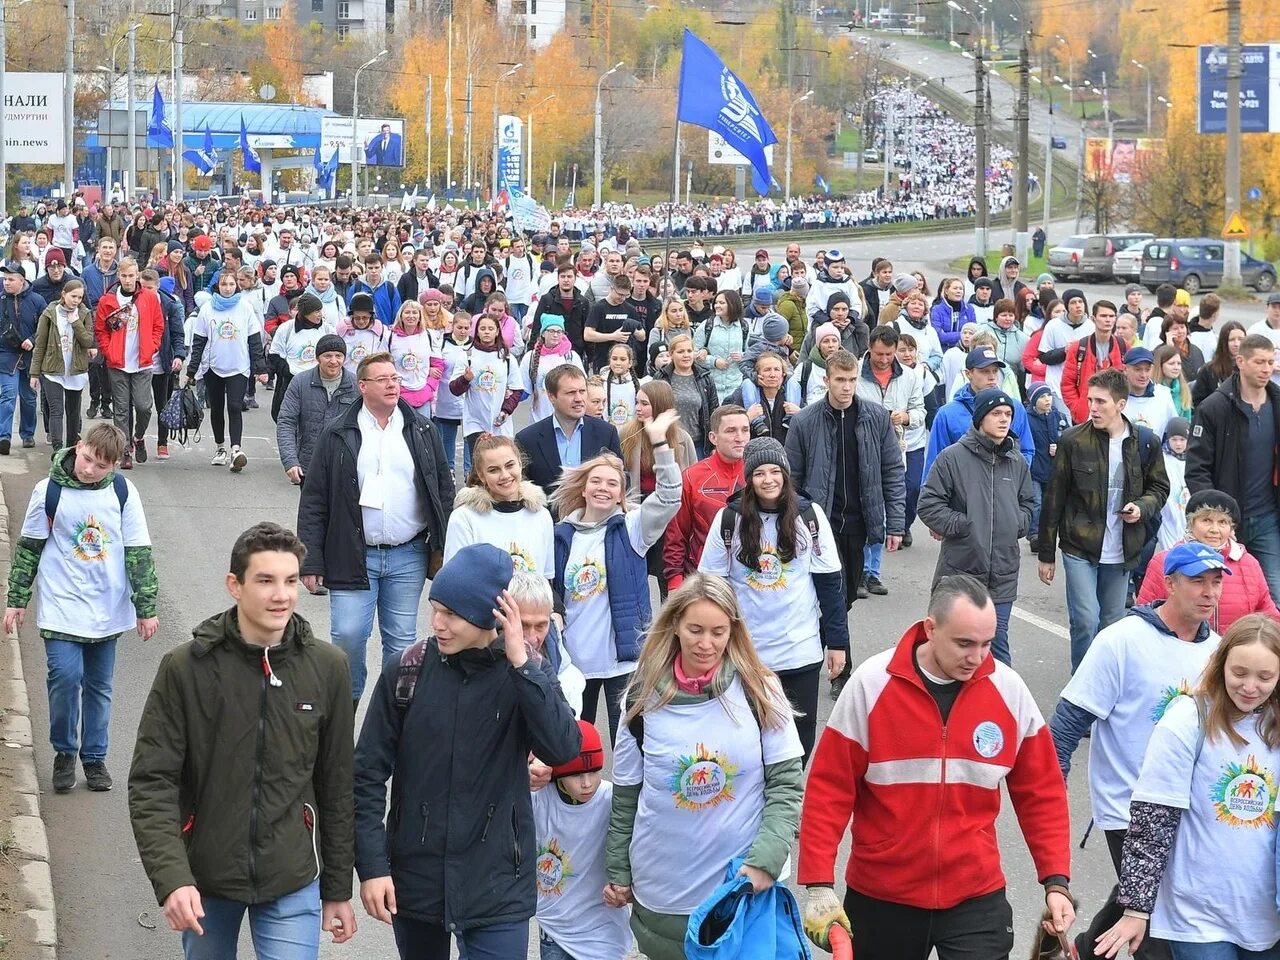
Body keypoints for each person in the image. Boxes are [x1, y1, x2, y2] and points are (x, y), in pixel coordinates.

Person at [797, 575, 1075, 959]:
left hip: (975, 894)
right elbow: (829, 788)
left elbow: (1041, 791)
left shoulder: (1008, 690)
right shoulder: (871, 685)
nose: (977, 657)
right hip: (883, 894)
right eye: (964, 643)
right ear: (931, 628)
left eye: (986, 644)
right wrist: (818, 882)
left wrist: (1056, 882)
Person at [128, 522, 356, 960]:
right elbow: (152, 783)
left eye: (290, 581)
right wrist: (173, 878)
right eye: (266, 581)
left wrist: (337, 888)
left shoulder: (328, 668)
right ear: (235, 585)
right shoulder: (184, 669)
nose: (282, 595)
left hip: (291, 876)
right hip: (206, 879)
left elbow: (337, 784)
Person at [353, 543, 580, 960]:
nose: (437, 623)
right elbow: (365, 775)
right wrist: (372, 867)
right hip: (417, 879)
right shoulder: (407, 671)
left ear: (488, 616)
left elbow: (563, 747)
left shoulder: (528, 673)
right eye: (435, 608)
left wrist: (523, 667)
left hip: (499, 884)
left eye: (451, 614)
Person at [605, 574, 804, 960]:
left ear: (734, 630)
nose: (706, 643)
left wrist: (765, 860)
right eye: (695, 629)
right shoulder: (640, 696)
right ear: (675, 625)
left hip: (741, 887)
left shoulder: (760, 690)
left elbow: (786, 785)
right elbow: (627, 795)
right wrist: (617, 869)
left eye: (718, 631)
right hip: (664, 889)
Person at [1048, 540, 1228, 960]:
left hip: (1186, 807)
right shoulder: (1121, 641)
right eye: (1197, 581)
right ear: (1169, 583)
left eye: (1216, 583)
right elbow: (1068, 722)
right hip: (1126, 805)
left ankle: (1082, 951)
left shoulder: (1218, 651)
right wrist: (1052, 791)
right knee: (1155, 925)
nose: (1209, 593)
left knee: (1142, 892)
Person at [1096, 614, 1280, 960]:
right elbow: (1153, 817)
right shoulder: (1187, 718)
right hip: (1197, 915)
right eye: (1239, 673)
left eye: (1265, 676)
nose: (1250, 686)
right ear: (1220, 663)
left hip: (1265, 914)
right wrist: (1137, 908)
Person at [297, 352, 455, 707]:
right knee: (349, 636)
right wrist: (311, 561)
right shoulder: (337, 431)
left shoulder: (422, 429)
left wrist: (445, 547)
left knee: (401, 643)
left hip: (408, 554)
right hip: (352, 555)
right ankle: (345, 707)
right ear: (362, 386)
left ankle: (392, 719)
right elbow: (314, 499)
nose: (392, 384)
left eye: (395, 378)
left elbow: (443, 489)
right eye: (383, 379)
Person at [5, 424, 155, 792]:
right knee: (65, 679)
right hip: (62, 605)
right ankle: (64, 752)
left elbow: (138, 553)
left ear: (115, 466)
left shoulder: (122, 492)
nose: (89, 470)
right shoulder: (49, 492)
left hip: (107, 608)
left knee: (99, 686)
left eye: (100, 466)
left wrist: (145, 606)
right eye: (87, 459)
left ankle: (94, 757)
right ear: (78, 446)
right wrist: (17, 599)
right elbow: (29, 549)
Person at [697, 437, 847, 762]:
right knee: (748, 736)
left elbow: (830, 585)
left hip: (800, 650)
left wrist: (838, 642)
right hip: (748, 653)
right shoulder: (729, 520)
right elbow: (711, 586)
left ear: (786, 474)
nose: (769, 480)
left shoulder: (810, 516)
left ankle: (788, 803)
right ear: (749, 479)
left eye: (775, 471)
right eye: (760, 473)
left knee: (799, 739)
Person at [551, 410, 683, 741]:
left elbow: (670, 495)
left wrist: (658, 442)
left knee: (628, 743)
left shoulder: (632, 528)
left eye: (613, 483)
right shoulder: (560, 534)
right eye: (596, 481)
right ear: (583, 489)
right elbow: (549, 589)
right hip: (573, 662)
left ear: (622, 494)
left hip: (622, 662)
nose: (603, 488)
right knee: (572, 746)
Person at [1039, 368, 1172, 671]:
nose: (1093, 408)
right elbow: (1054, 498)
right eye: (1090, 400)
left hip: (1122, 548)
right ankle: (1081, 688)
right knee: (1085, 619)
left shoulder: (1145, 442)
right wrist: (1046, 554)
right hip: (1079, 545)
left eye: (1101, 402)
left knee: (1112, 625)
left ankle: (1104, 684)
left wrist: (1141, 506)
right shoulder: (1073, 440)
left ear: (1121, 405)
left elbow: (1160, 487)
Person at [787, 349, 905, 656]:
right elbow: (793, 479)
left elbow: (892, 470)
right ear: (827, 380)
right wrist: (792, 522)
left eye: (852, 379)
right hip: (819, 523)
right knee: (835, 594)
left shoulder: (876, 418)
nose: (847, 387)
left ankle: (816, 642)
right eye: (840, 380)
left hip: (859, 521)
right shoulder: (804, 422)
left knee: (849, 595)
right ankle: (839, 664)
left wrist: (895, 523)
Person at [918, 388, 1035, 665]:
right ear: (981, 418)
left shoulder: (1016, 460)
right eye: (996, 413)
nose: (1004, 419)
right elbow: (928, 504)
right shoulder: (952, 457)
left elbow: (1029, 503)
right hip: (962, 569)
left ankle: (998, 705)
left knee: (998, 644)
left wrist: (1017, 523)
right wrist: (963, 524)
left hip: (1003, 572)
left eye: (1008, 414)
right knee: (957, 647)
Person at [1186, 333, 1280, 604]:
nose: (1266, 369)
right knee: (1223, 598)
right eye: (1259, 362)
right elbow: (1197, 468)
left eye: (1270, 362)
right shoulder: (1214, 407)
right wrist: (1216, 517)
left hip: (1267, 519)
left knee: (1272, 597)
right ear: (1240, 361)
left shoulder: (1277, 403)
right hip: (1225, 521)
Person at [532, 718, 633, 960]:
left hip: (601, 925)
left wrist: (628, 887)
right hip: (554, 924)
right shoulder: (537, 799)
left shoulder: (612, 800)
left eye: (594, 771)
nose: (587, 783)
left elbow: (639, 846)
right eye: (576, 774)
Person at [1138, 490, 1279, 633]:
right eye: (1206, 520)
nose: (1214, 530)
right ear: (1191, 524)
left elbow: (1268, 614)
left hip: (1234, 652)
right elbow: (1144, 616)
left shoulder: (1249, 563)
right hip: (1177, 648)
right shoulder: (1163, 561)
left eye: (1223, 522)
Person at [857, 325, 926, 577]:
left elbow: (920, 410)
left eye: (889, 354)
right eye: (878, 354)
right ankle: (863, 570)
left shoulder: (909, 376)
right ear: (869, 349)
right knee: (866, 510)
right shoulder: (855, 372)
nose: (884, 360)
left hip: (894, 448)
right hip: (861, 448)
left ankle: (873, 571)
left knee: (887, 507)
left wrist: (906, 417)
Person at [444, 433, 554, 587]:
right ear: (482, 475)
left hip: (531, 610)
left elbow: (546, 580)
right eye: (493, 470)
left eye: (510, 465)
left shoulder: (541, 515)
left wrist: (555, 610)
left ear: (520, 464)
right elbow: (454, 581)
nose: (505, 475)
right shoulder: (464, 518)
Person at [186, 270, 269, 472]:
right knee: (216, 408)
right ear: (218, 286)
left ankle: (235, 450)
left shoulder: (245, 308)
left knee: (234, 406)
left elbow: (254, 341)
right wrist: (192, 370)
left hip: (239, 366)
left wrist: (261, 368)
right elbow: (199, 341)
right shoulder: (207, 309)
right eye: (224, 285)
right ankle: (220, 448)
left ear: (236, 286)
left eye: (232, 284)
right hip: (213, 366)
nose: (228, 288)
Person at [663, 404, 750, 591]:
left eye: (745, 430)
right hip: (704, 580)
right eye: (731, 431)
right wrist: (674, 582)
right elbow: (676, 534)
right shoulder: (692, 477)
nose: (740, 438)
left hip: (752, 582)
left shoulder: (762, 475)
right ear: (713, 437)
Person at [926, 347, 1036, 474]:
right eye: (985, 371)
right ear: (968, 374)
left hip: (1005, 488)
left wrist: (1011, 478)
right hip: (963, 489)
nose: (992, 377)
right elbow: (934, 463)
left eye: (995, 371)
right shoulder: (947, 414)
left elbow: (1027, 450)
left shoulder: (1014, 407)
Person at [517, 364, 623, 494]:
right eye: (571, 393)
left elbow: (621, 479)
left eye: (582, 391)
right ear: (552, 397)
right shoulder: (527, 439)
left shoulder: (606, 433)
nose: (578, 399)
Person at [275, 334, 358, 487]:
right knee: (311, 511)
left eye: (338, 355)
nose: (333, 361)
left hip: (346, 467)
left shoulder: (356, 385)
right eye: (327, 355)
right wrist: (290, 461)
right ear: (318, 357)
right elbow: (286, 422)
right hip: (309, 466)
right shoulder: (300, 382)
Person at [31, 278, 95, 450]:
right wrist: (34, 374)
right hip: (53, 370)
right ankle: (58, 450)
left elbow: (88, 341)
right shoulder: (50, 313)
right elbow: (40, 344)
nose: (76, 301)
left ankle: (71, 448)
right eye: (73, 296)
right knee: (56, 410)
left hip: (75, 370)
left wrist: (75, 322)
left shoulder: (84, 313)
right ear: (64, 294)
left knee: (73, 412)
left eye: (80, 298)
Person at [0, 260, 48, 454]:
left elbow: (45, 328)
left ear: (22, 280)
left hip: (30, 358)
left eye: (10, 279)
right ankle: (4, 436)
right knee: (8, 396)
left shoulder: (37, 301)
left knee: (28, 399)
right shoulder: (1, 300)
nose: (6, 283)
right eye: (4, 279)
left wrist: (32, 340)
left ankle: (27, 434)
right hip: (6, 355)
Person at [269, 290, 335, 422]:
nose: (319, 315)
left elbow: (336, 351)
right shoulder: (286, 329)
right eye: (316, 311)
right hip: (292, 380)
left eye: (320, 310)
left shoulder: (327, 329)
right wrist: (285, 371)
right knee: (288, 418)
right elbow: (274, 354)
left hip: (318, 381)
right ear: (305, 313)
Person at [1061, 300, 1125, 424]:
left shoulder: (1123, 346)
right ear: (1093, 318)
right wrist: (1077, 409)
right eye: (1103, 316)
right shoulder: (1078, 347)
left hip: (1115, 415)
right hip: (1085, 415)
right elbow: (1067, 383)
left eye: (1111, 316)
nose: (1108, 320)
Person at [1026, 382, 1068, 554]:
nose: (1047, 399)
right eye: (1042, 397)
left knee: (1049, 503)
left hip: (1053, 469)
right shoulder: (1027, 419)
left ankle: (1046, 535)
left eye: (1049, 395)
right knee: (1036, 502)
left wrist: (1059, 445)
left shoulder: (1059, 417)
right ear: (1034, 400)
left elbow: (1068, 436)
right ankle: (1034, 535)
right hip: (1035, 468)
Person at [520, 316, 584, 423]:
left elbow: (582, 386)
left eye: (559, 332)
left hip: (567, 420)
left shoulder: (571, 357)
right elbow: (523, 391)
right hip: (539, 419)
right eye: (551, 331)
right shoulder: (530, 357)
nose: (555, 335)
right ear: (543, 333)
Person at [1122, 346, 1179, 440]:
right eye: (1137, 369)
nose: (1143, 375)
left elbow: (1174, 431)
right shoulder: (1114, 395)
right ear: (1125, 369)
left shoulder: (1163, 394)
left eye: (1147, 370)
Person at [1191, 321, 1245, 407]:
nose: (1237, 344)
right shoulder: (1208, 370)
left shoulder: (1250, 368)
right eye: (1231, 340)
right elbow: (1198, 402)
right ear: (1223, 342)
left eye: (1240, 339)